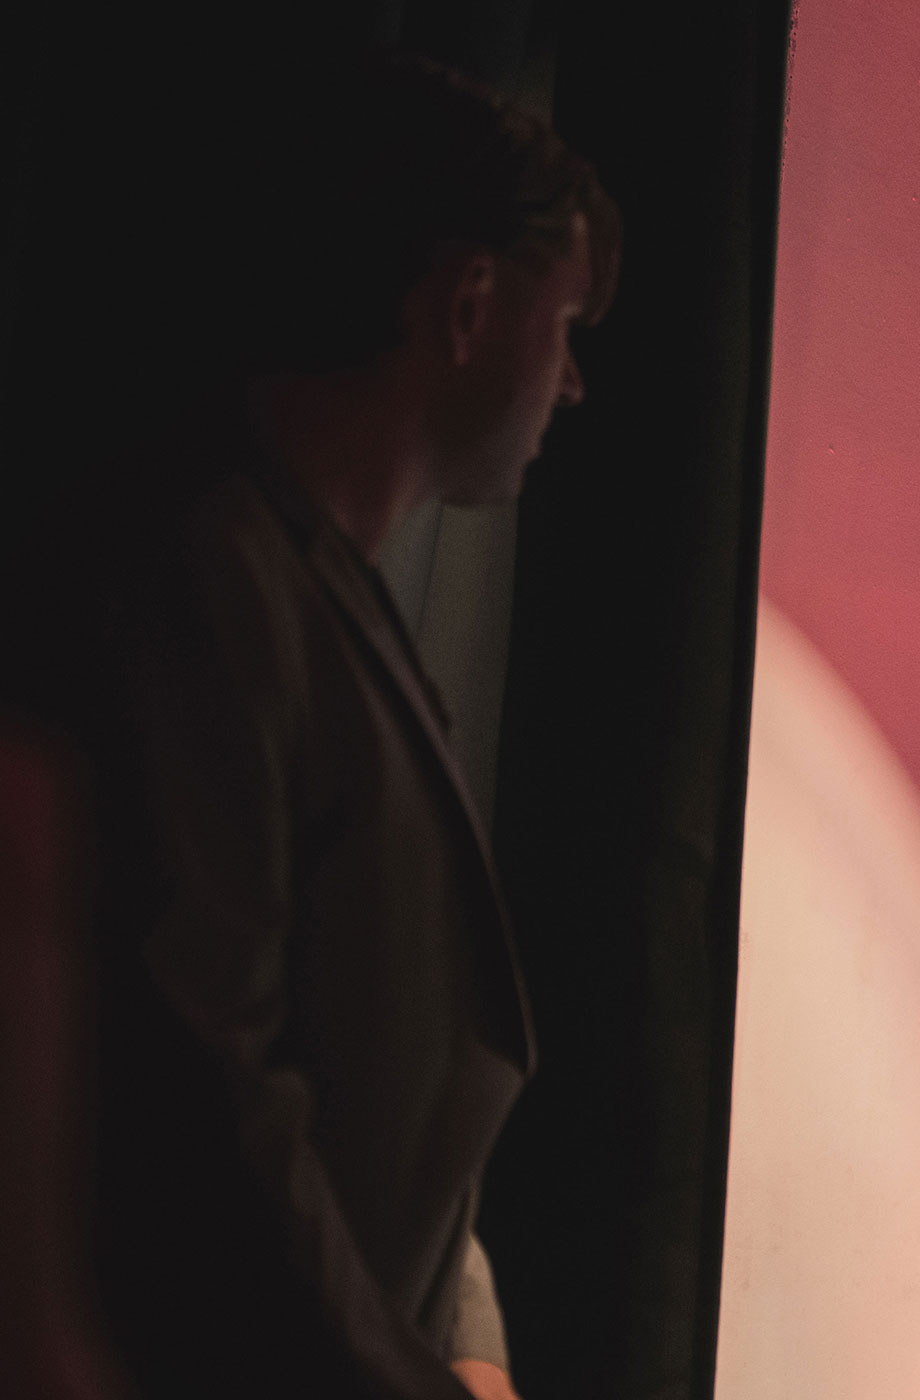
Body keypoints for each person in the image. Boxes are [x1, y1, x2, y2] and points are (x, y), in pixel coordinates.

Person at [46, 55, 619, 1400]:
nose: (574, 387)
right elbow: (211, 1107)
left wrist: (466, 1339)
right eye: (569, 327)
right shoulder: (210, 576)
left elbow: (381, 1103)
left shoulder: (308, 588)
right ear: (471, 307)